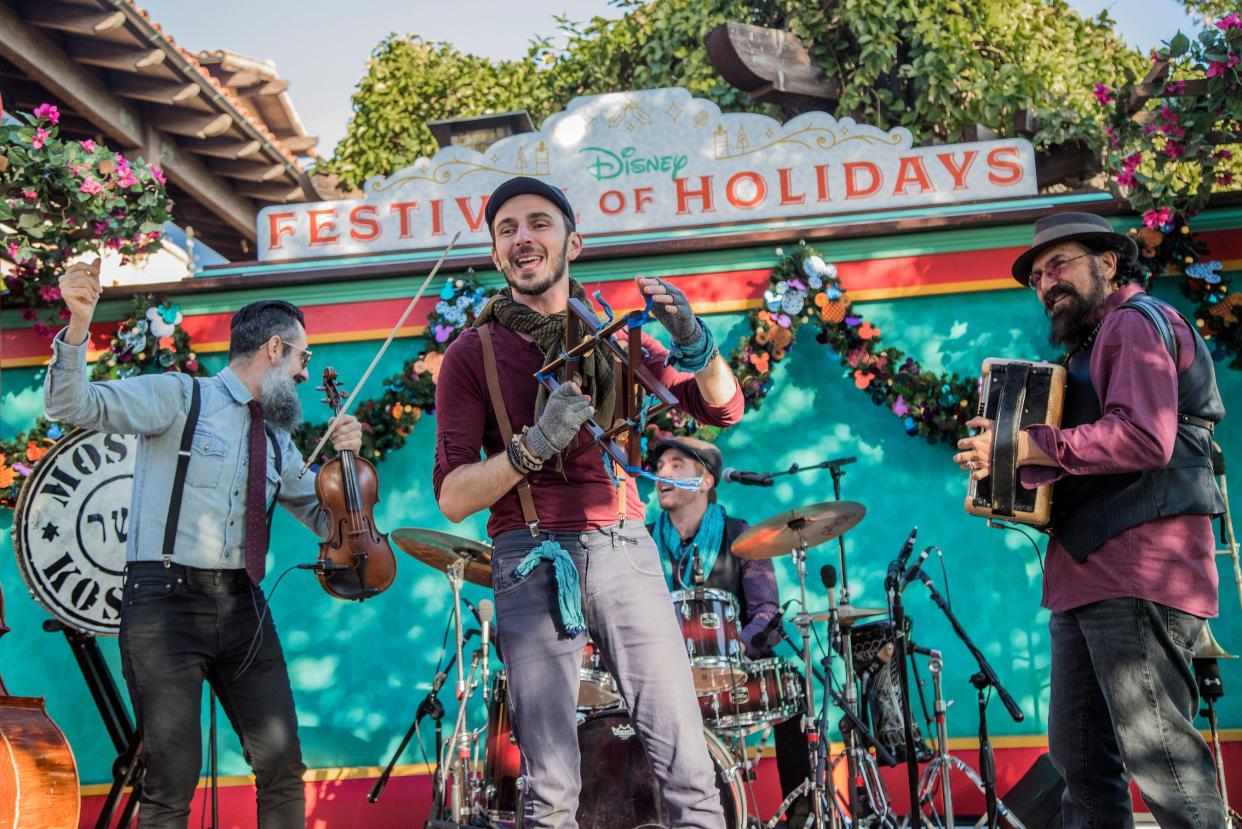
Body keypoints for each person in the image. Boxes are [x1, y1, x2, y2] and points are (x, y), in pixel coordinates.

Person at [433, 176, 744, 828]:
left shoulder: (609, 335)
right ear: (495, 254)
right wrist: (533, 444)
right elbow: (453, 495)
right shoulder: (471, 354)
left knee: (689, 766)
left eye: (539, 223)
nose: (524, 237)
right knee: (549, 787)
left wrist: (697, 339)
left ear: (573, 240)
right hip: (533, 553)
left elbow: (721, 405)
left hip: (625, 547)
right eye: (507, 229)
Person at [46, 259, 363, 829]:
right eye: (302, 358)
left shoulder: (278, 438)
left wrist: (349, 462)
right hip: (165, 604)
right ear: (273, 349)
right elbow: (71, 405)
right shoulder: (178, 396)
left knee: (283, 765)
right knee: (171, 779)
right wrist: (77, 323)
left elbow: (326, 522)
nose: (303, 374)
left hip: (243, 605)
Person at [953, 212, 1226, 828]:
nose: (1048, 282)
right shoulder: (1091, 344)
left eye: (1061, 264)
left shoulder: (1134, 324)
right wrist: (1004, 458)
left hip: (1138, 570)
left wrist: (1027, 445)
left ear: (1108, 262)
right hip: (1084, 577)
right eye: (1039, 276)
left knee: (1166, 769)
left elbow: (1143, 439)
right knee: (1082, 769)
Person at [649, 436, 812, 829]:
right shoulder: (641, 541)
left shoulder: (741, 536)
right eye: (659, 466)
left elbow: (766, 613)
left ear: (705, 481)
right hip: (661, 674)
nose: (661, 473)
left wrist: (731, 651)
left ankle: (801, 812)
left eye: (676, 465)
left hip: (731, 670)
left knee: (789, 684)